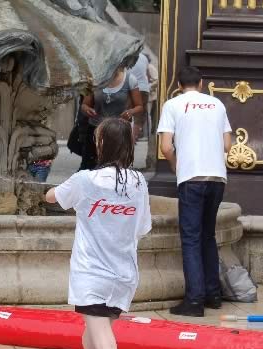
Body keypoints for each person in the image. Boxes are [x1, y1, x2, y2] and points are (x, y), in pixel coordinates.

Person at [45, 117, 151, 349]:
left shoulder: (85, 180)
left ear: (102, 144)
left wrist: (54, 190)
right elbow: (142, 228)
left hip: (92, 276)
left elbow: (52, 198)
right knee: (91, 342)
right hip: (123, 275)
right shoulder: (138, 183)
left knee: (103, 344)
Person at [157, 66, 232, 317]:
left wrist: (176, 164)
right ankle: (213, 294)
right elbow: (227, 144)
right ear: (201, 83)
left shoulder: (172, 105)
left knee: (190, 238)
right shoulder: (217, 104)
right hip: (217, 177)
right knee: (208, 235)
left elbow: (166, 146)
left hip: (191, 178)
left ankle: (194, 300)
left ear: (179, 86)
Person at [78, 65, 144, 171]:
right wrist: (87, 110)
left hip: (119, 131)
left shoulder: (130, 80)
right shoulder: (93, 80)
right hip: (95, 130)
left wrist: (130, 112)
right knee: (90, 166)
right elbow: (85, 105)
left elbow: (139, 106)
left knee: (117, 167)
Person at [130, 52, 151, 140]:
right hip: (143, 88)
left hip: (128, 87)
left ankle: (126, 138)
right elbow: (148, 76)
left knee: (126, 113)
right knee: (139, 116)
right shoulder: (144, 58)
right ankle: (133, 138)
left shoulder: (126, 55)